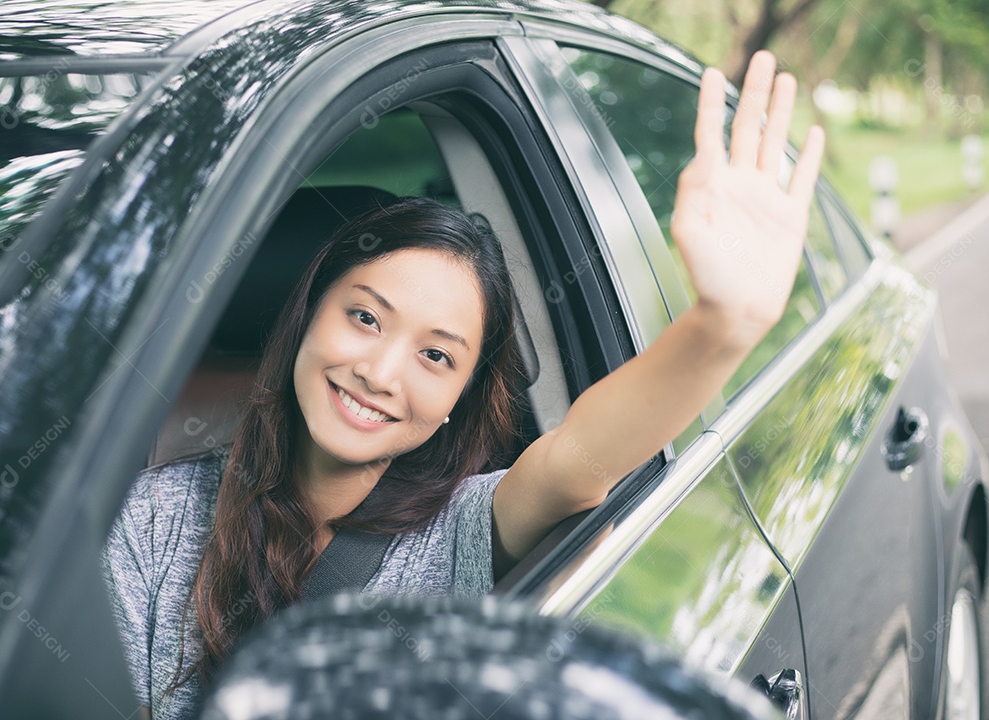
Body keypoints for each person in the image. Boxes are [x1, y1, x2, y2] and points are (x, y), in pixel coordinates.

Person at [101, 51, 824, 720]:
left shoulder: (457, 533)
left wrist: (721, 326)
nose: (380, 374)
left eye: (437, 357)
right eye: (364, 317)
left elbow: (580, 462)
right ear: (306, 315)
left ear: (458, 404)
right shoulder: (156, 514)